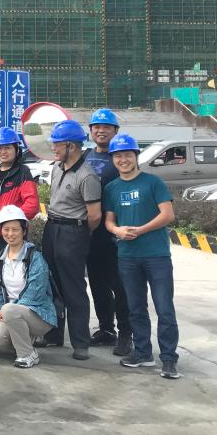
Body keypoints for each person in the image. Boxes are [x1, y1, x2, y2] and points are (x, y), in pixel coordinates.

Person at [102, 133, 181, 379]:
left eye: (127, 155)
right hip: (127, 257)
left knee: (164, 308)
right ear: (113, 159)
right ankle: (143, 353)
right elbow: (109, 221)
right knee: (135, 308)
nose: (123, 160)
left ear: (136, 156)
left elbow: (167, 214)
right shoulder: (112, 188)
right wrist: (117, 231)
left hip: (156, 256)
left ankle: (168, 359)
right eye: (118, 156)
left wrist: (141, 230)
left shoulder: (152, 182)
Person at [39, 119, 101, 360]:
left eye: (57, 144)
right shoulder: (57, 168)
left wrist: (79, 234)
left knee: (73, 288)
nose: (53, 148)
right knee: (52, 285)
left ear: (71, 146)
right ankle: (53, 334)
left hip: (73, 233)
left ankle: (80, 343)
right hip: (52, 228)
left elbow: (94, 216)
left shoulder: (87, 176)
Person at [86, 108, 133, 356]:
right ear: (90, 131)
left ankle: (126, 333)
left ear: (115, 131)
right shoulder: (85, 156)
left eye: (106, 127)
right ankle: (106, 329)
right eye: (97, 127)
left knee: (120, 285)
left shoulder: (120, 158)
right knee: (97, 283)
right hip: (91, 232)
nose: (101, 131)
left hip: (114, 233)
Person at [0, 205, 58, 368]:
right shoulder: (1, 258)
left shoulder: (35, 258)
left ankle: (27, 355)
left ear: (24, 231)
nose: (10, 234)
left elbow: (35, 293)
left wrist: (7, 310)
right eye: (6, 229)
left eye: (15, 229)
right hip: (11, 313)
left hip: (38, 315)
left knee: (9, 310)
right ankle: (27, 345)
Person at [0, 126, 39, 281]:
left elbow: (32, 204)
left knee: (15, 278)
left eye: (7, 148)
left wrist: (11, 224)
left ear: (17, 149)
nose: (3, 152)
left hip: (12, 236)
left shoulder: (22, 172)